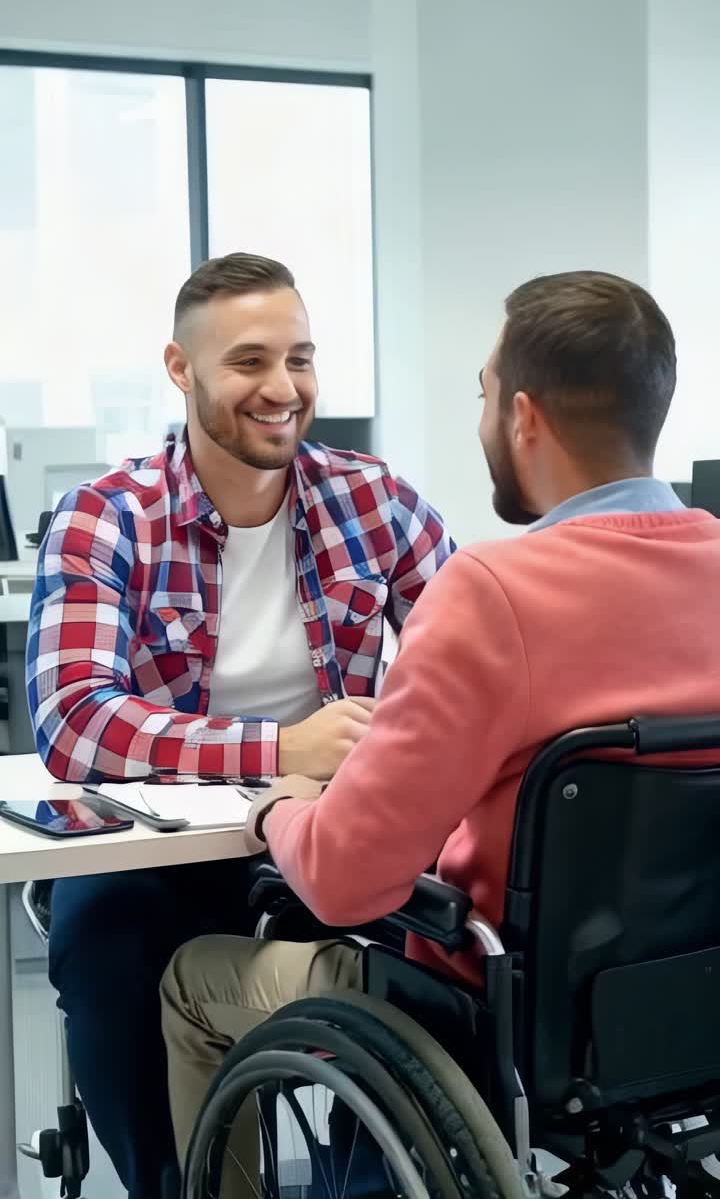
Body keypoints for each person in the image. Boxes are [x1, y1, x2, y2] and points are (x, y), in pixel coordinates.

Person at [160, 269, 720, 1175]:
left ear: (525, 417)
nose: (481, 418)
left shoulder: (496, 592)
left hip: (492, 1005)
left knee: (190, 984)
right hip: (683, 1003)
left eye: (485, 395)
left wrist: (280, 807)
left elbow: (345, 883)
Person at [25, 252, 454, 1199]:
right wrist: (280, 749)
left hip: (322, 832)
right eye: (250, 361)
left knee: (432, 963)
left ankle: (365, 1184)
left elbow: (470, 662)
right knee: (106, 965)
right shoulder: (109, 516)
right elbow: (73, 722)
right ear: (181, 370)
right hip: (156, 856)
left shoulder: (372, 499)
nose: (283, 388)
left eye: (300, 358)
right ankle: (176, 1186)